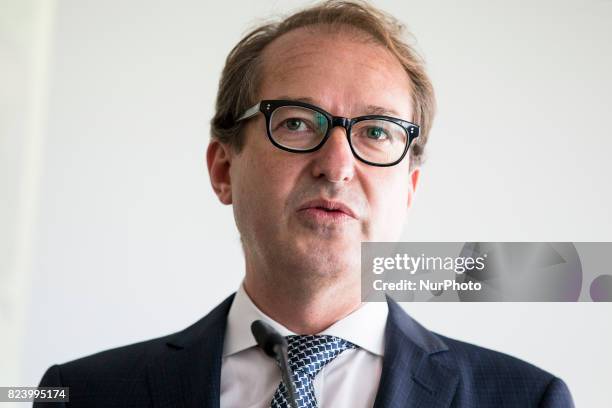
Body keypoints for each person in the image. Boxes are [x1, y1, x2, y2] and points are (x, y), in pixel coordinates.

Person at [36, 1, 574, 407]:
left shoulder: (529, 400)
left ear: (407, 192)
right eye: (296, 122)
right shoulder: (77, 393)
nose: (337, 165)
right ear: (224, 169)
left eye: (377, 132)